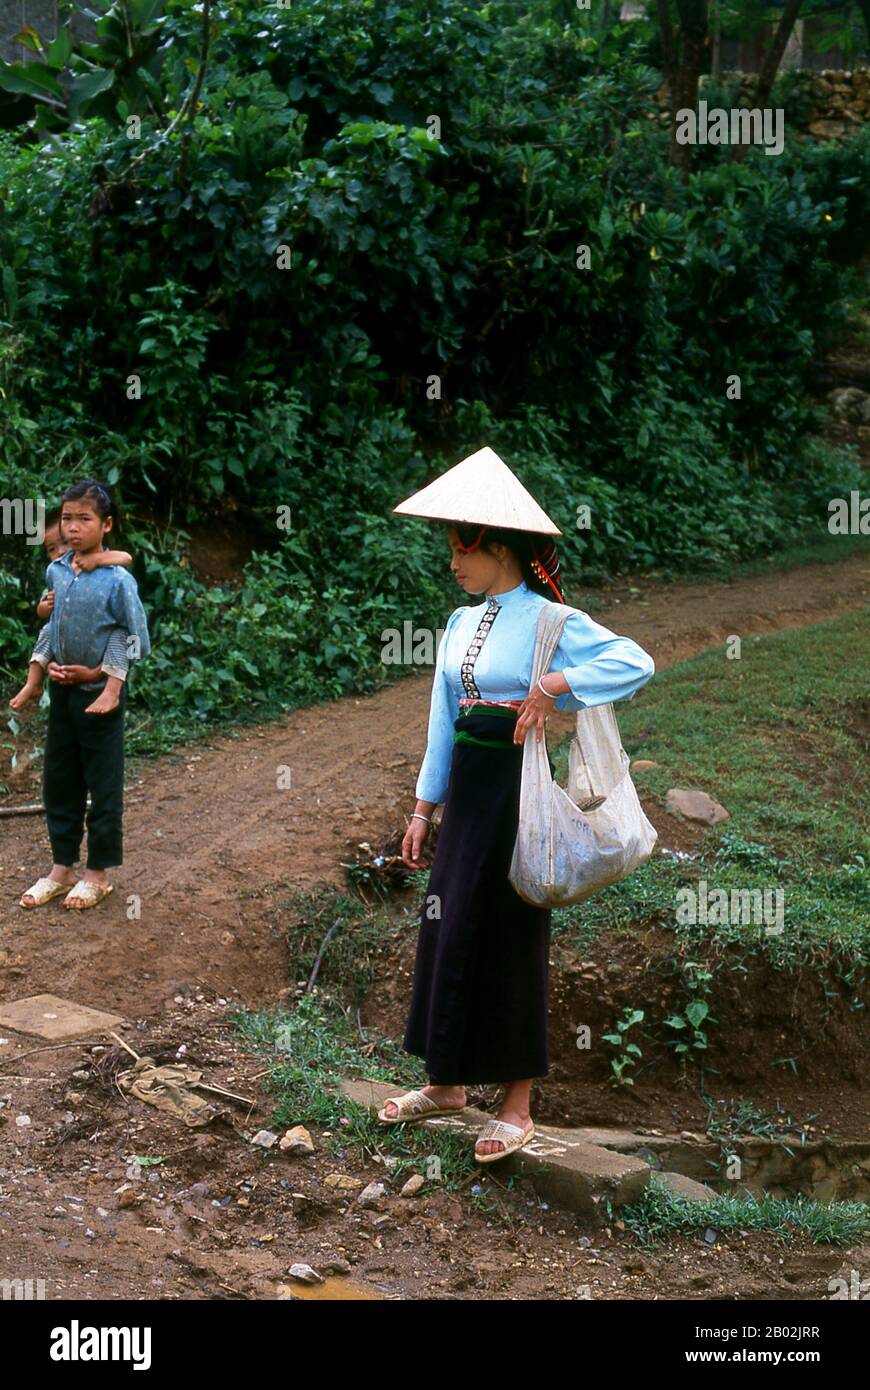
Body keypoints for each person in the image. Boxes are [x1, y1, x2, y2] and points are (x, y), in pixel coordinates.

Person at [379, 447, 655, 1162]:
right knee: (446, 926)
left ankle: (517, 1105)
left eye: (461, 551)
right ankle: (445, 1084)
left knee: (508, 933)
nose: (452, 565)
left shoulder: (550, 621)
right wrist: (421, 809)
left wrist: (554, 684)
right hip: (468, 791)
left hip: (518, 794)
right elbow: (443, 718)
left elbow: (636, 661)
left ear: (498, 547)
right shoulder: (458, 624)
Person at [17, 480, 151, 911]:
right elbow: (49, 618)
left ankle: (98, 874)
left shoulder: (118, 580)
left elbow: (136, 640)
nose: (73, 528)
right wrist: (50, 662)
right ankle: (62, 868)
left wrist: (102, 674)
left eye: (84, 519)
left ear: (106, 525)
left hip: (100, 693)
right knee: (60, 780)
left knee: (104, 783)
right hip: (63, 694)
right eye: (68, 519)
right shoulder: (57, 571)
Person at [9, 508, 134, 713]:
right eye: (51, 548)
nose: (59, 552)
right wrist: (45, 606)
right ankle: (33, 683)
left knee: (119, 637)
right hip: (67, 649)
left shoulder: (107, 568)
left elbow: (126, 557)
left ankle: (112, 692)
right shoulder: (58, 573)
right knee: (47, 631)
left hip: (100, 644)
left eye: (64, 543)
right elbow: (42, 613)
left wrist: (97, 560)